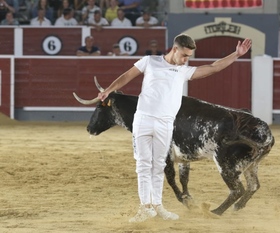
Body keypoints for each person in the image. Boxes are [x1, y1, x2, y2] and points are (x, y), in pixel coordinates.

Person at [96, 33, 252, 223]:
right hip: (143, 120)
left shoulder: (183, 70)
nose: (186, 60)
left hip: (165, 123)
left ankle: (158, 206)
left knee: (159, 165)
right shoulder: (150, 61)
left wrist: (235, 55)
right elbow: (127, 76)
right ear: (175, 49)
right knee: (143, 165)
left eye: (189, 57)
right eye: (184, 55)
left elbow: (212, 68)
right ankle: (145, 207)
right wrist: (108, 90)